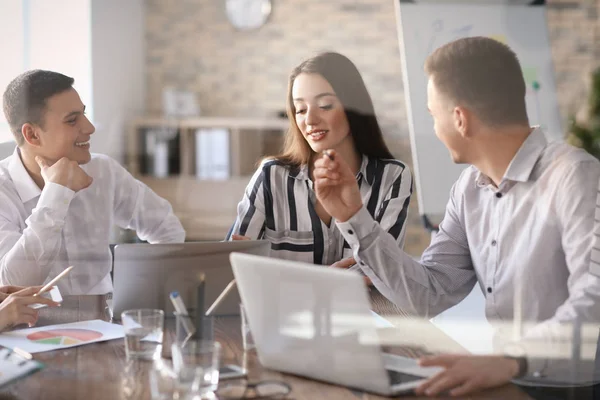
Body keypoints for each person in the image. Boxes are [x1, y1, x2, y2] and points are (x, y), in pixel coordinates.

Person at [313, 37, 600, 396]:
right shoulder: (469, 189)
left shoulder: (576, 175)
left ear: (460, 119)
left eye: (434, 116)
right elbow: (429, 293)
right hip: (506, 378)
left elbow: (595, 300)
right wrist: (354, 216)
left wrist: (512, 360)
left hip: (574, 386)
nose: (434, 129)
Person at [0, 70, 185, 295]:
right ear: (32, 135)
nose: (89, 128)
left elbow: (166, 227)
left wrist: (143, 293)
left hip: (105, 321)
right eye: (72, 120)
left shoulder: (103, 170)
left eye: (84, 114)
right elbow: (13, 283)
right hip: (31, 326)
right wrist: (56, 194)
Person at [227, 52, 412, 271]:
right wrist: (325, 282)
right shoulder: (271, 176)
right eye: (301, 110)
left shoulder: (392, 177)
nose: (310, 120)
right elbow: (234, 266)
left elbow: (385, 272)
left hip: (354, 307)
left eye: (324, 105)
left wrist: (279, 275)